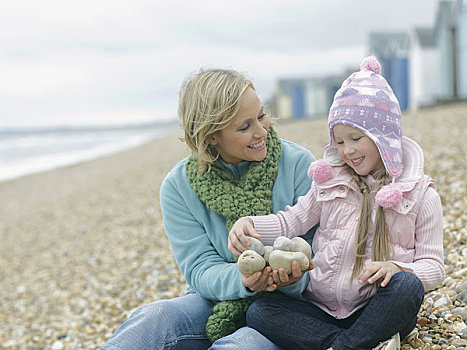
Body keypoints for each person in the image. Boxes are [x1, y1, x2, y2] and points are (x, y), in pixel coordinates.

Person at [228, 56, 445, 350]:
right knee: (260, 311)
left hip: (377, 309)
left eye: (356, 138)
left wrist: (396, 268)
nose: (348, 151)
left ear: (385, 138)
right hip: (321, 310)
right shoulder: (329, 183)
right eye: (340, 142)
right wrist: (250, 224)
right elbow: (292, 221)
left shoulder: (420, 195)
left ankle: (354, 340)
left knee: (407, 288)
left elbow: (434, 267)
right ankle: (353, 344)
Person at [101, 68, 317, 350]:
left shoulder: (300, 164)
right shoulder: (178, 186)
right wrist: (246, 280)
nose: (262, 130)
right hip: (214, 303)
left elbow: (319, 256)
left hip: (287, 308)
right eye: (245, 126)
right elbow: (200, 268)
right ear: (211, 136)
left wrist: (289, 277)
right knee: (153, 317)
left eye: (261, 116)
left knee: (243, 345)